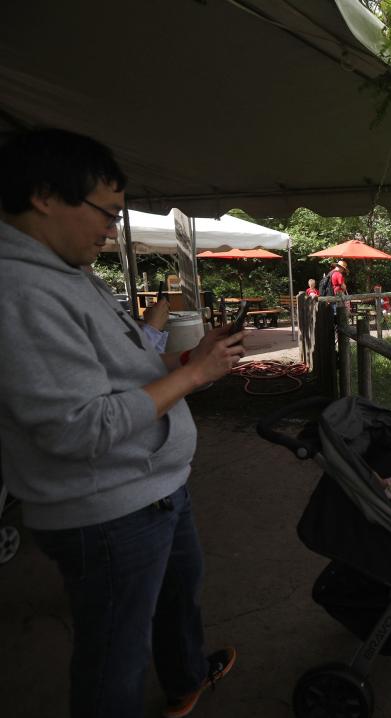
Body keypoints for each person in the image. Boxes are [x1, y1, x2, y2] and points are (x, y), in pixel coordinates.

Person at [0, 128, 243, 718]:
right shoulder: (20, 289)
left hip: (152, 484)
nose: (112, 228)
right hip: (108, 509)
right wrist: (192, 378)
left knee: (179, 593)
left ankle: (186, 678)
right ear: (44, 195)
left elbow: (122, 368)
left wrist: (187, 360)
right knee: (114, 655)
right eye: (106, 212)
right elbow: (76, 426)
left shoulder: (67, 271)